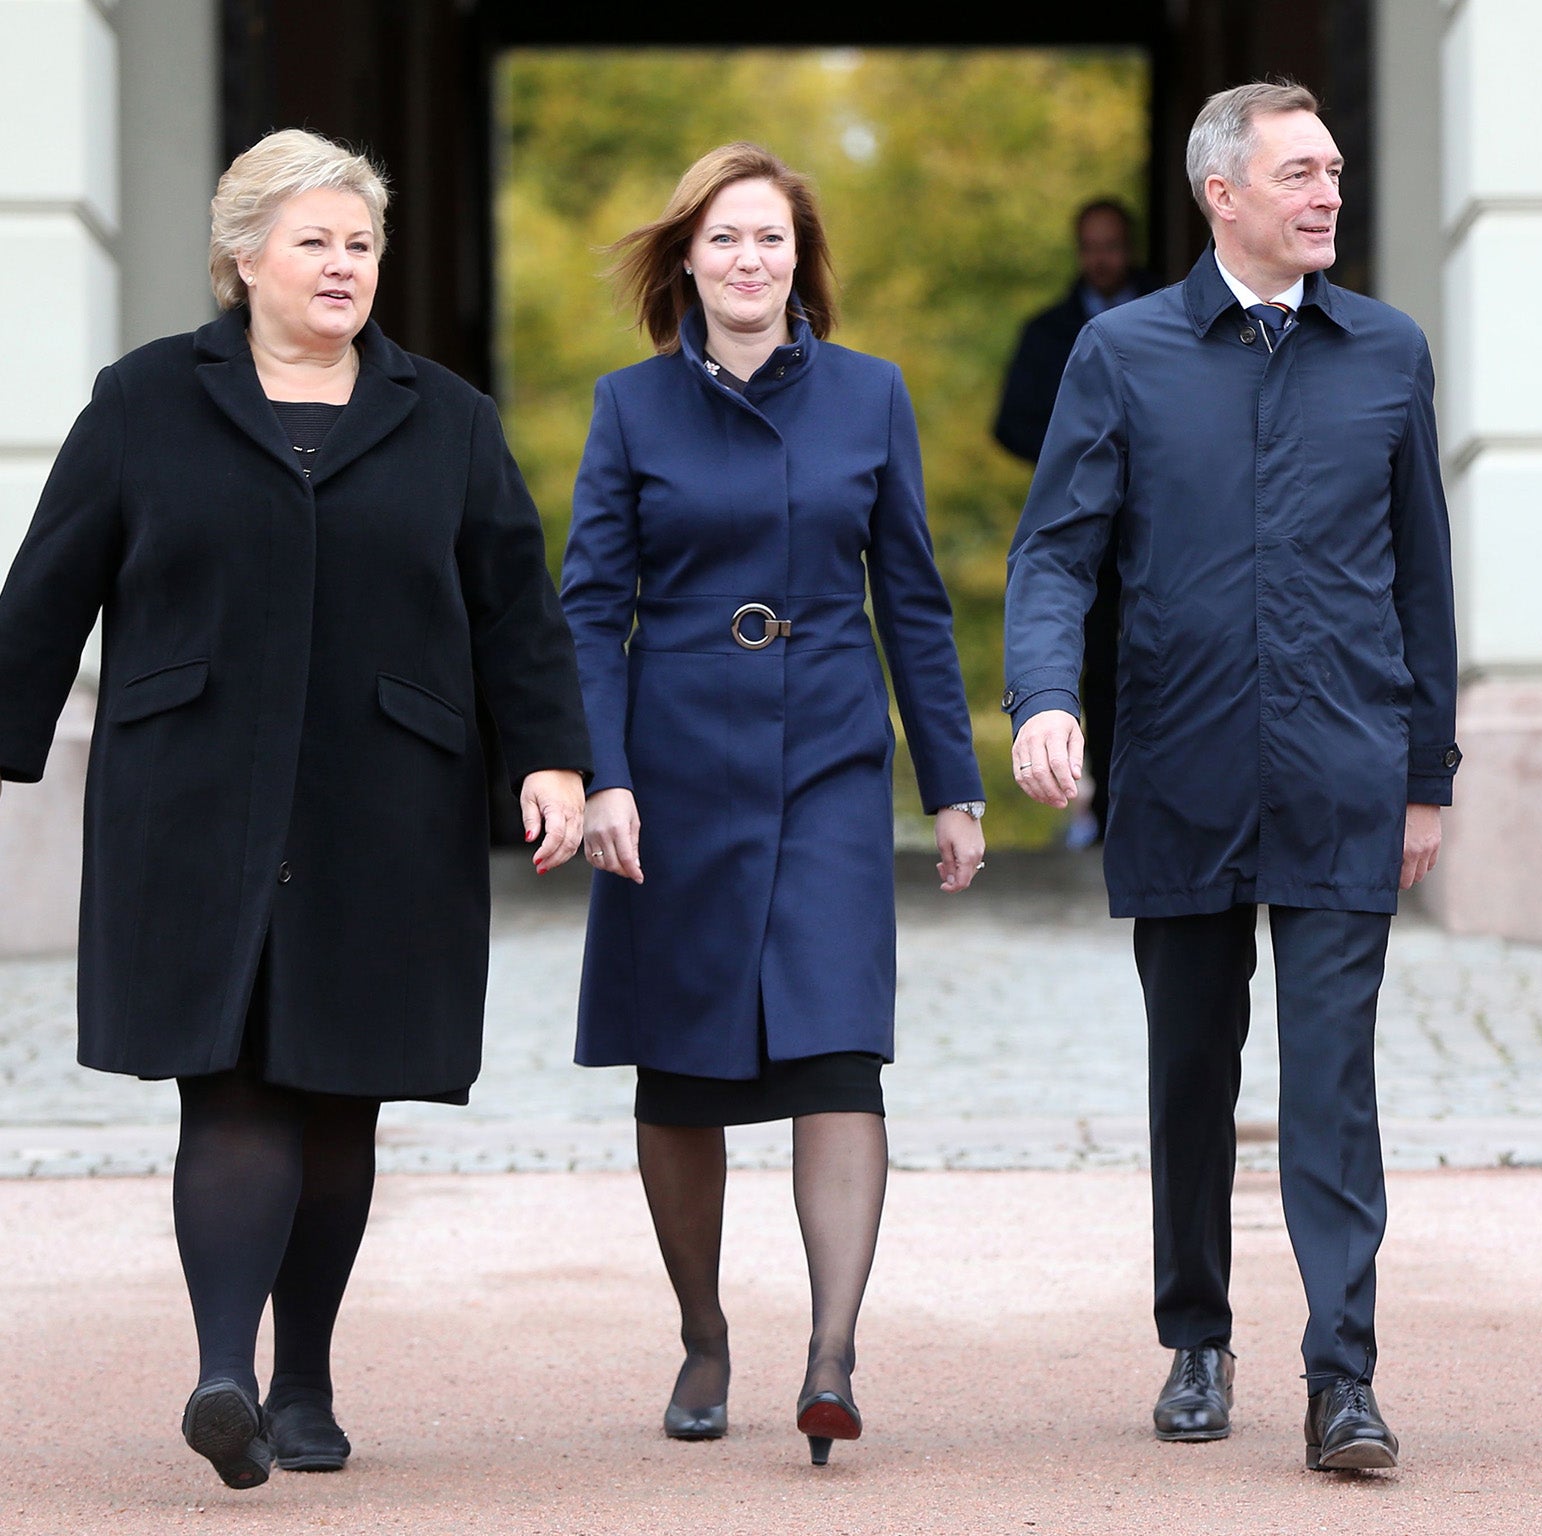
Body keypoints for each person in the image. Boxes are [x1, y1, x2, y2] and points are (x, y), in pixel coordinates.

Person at [0, 128, 591, 1490]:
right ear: (243, 255)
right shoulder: (144, 402)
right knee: (233, 1083)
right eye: (316, 239)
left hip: (387, 800)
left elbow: (516, 609)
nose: (343, 265)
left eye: (362, 243)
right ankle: (224, 1375)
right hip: (193, 797)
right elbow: (49, 589)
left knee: (340, 1101)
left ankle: (307, 1380)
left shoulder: (447, 418)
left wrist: (550, 757)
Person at [1004, 81, 1459, 1473]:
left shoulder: (1388, 351)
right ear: (1225, 195)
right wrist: (1040, 699)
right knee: (1192, 1070)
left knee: (1334, 1083)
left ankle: (1345, 1376)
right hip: (1181, 766)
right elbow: (1056, 552)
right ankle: (1196, 1339)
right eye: (1300, 173)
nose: (1328, 193)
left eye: (1332, 170)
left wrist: (1426, 771)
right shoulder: (1123, 354)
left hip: (1342, 766)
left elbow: (1424, 577)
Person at [561, 142, 985, 1468]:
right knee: (679, 1071)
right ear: (686, 257)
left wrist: (953, 785)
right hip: (675, 762)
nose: (752, 261)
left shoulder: (870, 396)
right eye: (727, 239)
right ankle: (702, 1333)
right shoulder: (630, 408)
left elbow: (912, 598)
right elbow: (587, 606)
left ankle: (831, 1357)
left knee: (837, 1047)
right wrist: (605, 776)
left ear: (804, 264)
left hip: (830, 759)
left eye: (775, 241)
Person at [994, 199, 1158, 845]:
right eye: (1092, 246)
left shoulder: (1176, 314)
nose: (1103, 258)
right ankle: (1109, 807)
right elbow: (1010, 421)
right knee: (1091, 661)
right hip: (1084, 517)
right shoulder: (1048, 332)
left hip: (1158, 517)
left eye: (1113, 244)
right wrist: (1080, 454)